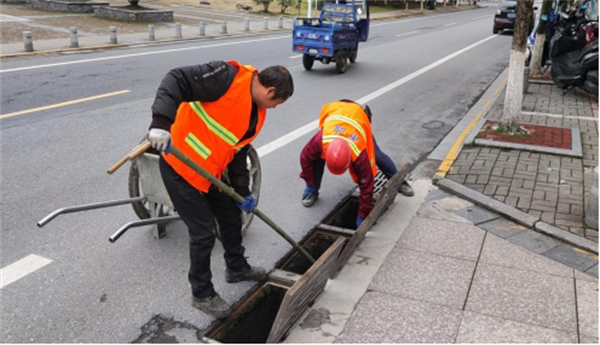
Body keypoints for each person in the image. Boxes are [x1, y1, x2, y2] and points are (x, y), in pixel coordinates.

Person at [147, 60, 294, 319]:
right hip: (180, 164)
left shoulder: (255, 112)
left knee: (229, 215)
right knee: (203, 231)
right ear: (270, 91)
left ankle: (236, 268)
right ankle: (202, 294)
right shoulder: (227, 77)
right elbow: (176, 77)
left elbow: (237, 153)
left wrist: (242, 191)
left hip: (209, 173)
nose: (275, 108)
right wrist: (160, 122)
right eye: (278, 103)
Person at [299, 100, 413, 228]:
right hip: (338, 111)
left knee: (376, 155)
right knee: (316, 159)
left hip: (357, 117)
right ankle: (312, 190)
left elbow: (367, 184)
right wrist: (309, 182)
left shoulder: (359, 154)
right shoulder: (320, 141)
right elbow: (306, 160)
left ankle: (400, 182)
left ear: (350, 160)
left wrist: (362, 215)